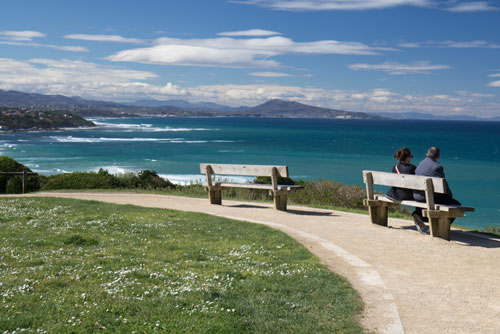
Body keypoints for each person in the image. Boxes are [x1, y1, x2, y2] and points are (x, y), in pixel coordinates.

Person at [413, 147, 461, 228]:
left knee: (435, 201)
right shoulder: (437, 167)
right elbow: (444, 187)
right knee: (457, 205)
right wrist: (449, 195)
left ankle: (418, 215)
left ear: (427, 154)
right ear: (438, 156)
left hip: (417, 196)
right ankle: (440, 226)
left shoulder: (420, 164)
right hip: (429, 198)